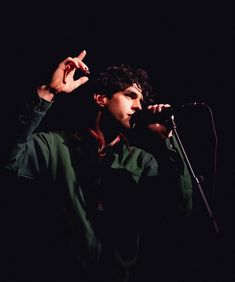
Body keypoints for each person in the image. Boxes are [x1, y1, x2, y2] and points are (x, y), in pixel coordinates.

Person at [2, 49, 193, 282]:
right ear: (101, 98)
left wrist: (169, 142)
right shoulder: (55, 146)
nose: (138, 107)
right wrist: (48, 93)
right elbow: (9, 162)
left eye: (141, 101)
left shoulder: (142, 162)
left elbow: (180, 208)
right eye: (130, 96)